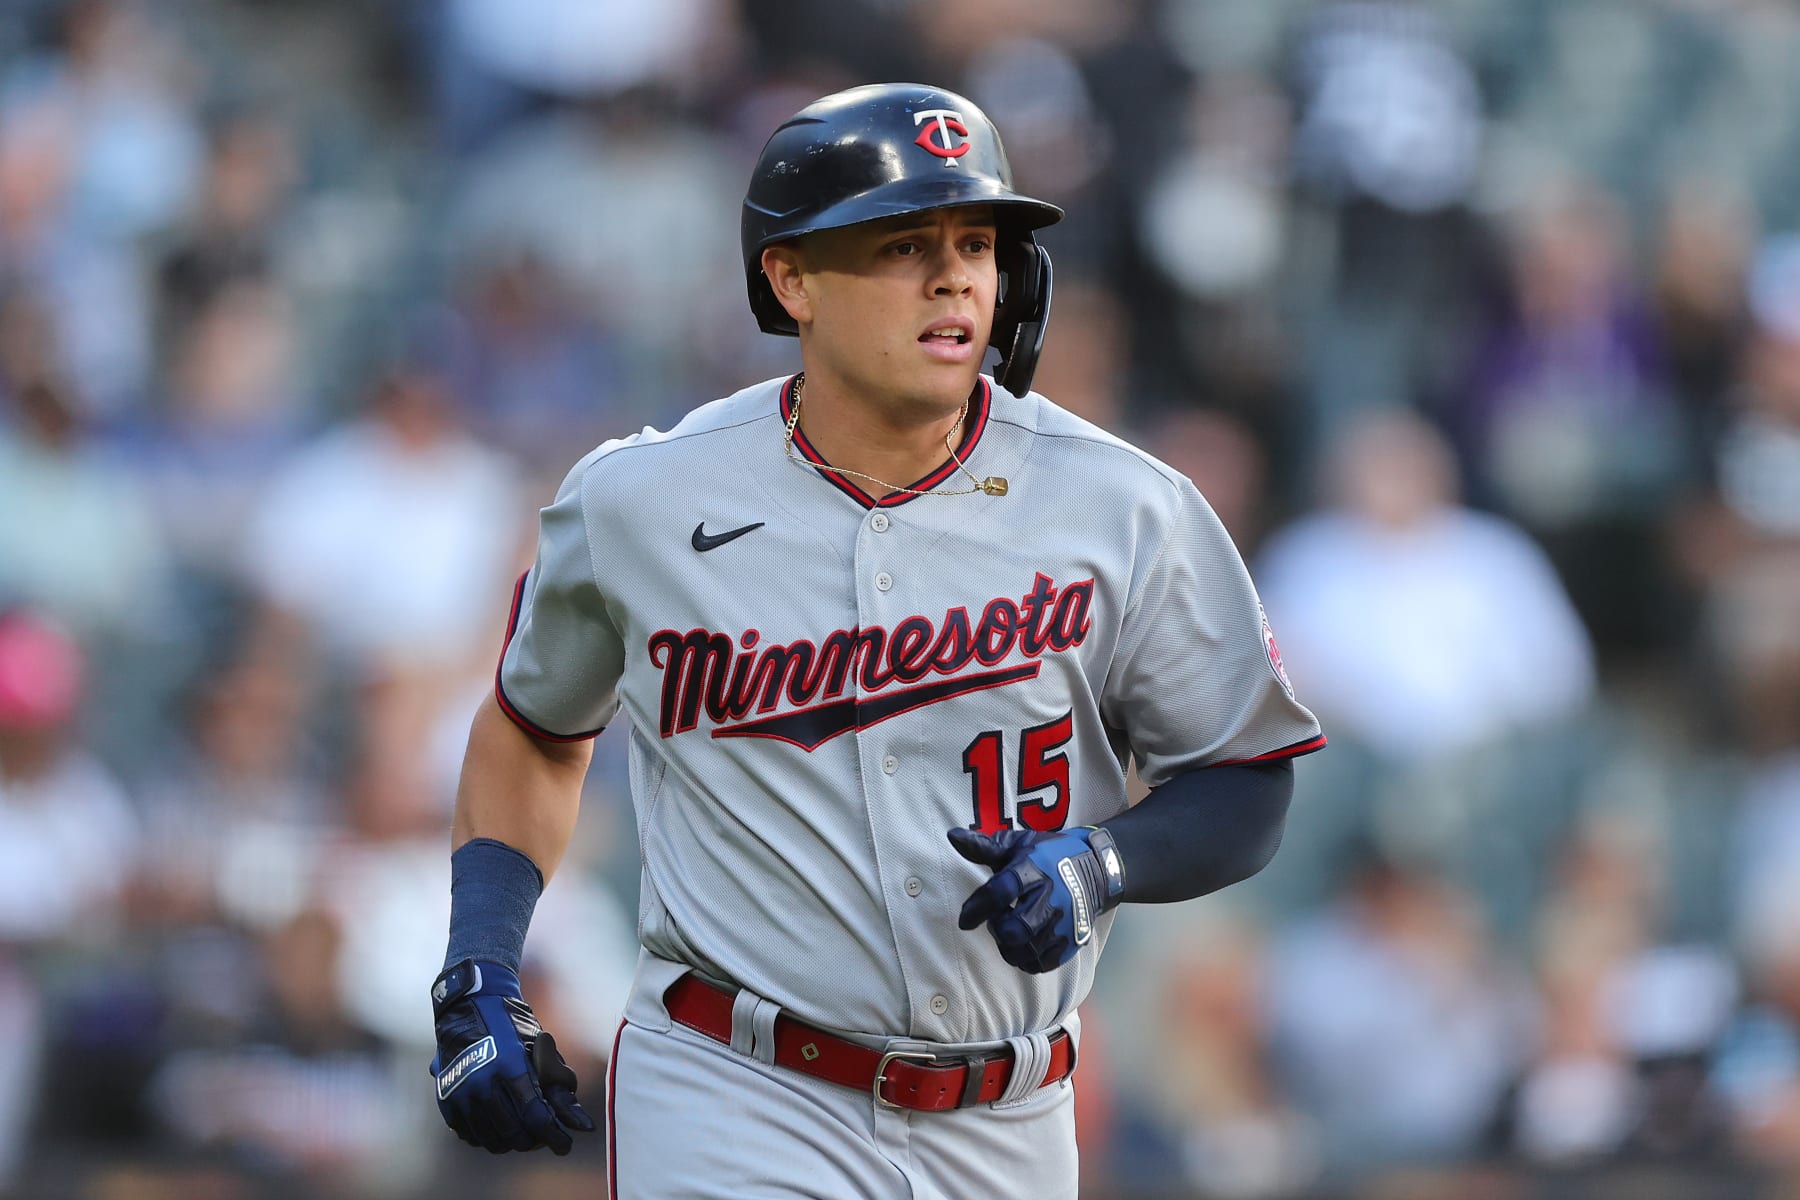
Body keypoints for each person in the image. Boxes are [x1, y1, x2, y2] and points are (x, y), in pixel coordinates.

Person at [427, 83, 1325, 1198]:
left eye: (977, 243)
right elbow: (534, 731)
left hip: (1009, 1114)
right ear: (790, 278)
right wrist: (480, 964)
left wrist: (1106, 862)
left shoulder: (1124, 505)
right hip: (735, 1088)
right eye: (904, 243)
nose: (954, 276)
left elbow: (1245, 775)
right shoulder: (643, 500)